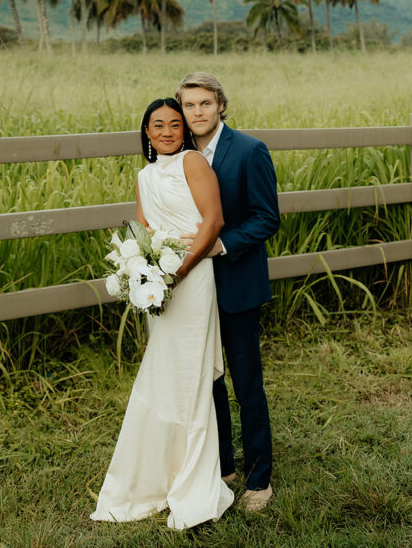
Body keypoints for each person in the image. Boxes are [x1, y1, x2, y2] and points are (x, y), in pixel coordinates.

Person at [90, 97, 235, 530]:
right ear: (147, 134)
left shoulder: (193, 162)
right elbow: (142, 229)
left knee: (190, 374)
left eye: (176, 123)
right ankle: (159, 473)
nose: (169, 130)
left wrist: (181, 270)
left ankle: (193, 480)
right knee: (164, 372)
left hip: (192, 279)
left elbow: (214, 222)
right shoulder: (144, 174)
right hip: (160, 287)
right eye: (159, 125)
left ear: (183, 131)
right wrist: (141, 272)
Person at [175, 72, 280, 513]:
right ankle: (222, 466)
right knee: (207, 380)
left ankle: (259, 478)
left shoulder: (250, 151)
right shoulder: (176, 156)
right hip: (192, 290)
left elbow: (266, 218)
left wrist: (221, 244)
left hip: (235, 280)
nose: (196, 112)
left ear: (220, 105)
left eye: (204, 103)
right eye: (188, 105)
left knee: (245, 382)